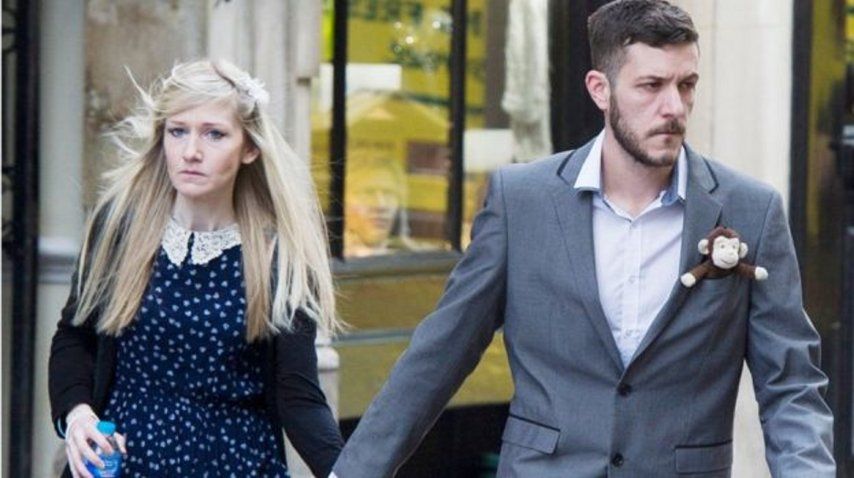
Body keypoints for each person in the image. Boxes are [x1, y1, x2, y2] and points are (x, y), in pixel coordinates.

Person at [331, 1, 835, 476]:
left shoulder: (751, 210)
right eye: (651, 86)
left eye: (686, 85)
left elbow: (790, 384)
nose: (674, 107)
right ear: (600, 89)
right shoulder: (520, 202)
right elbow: (440, 355)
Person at [48, 59, 345, 478]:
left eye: (214, 134)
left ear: (250, 148)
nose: (191, 151)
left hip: (238, 466)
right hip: (123, 466)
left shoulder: (279, 255)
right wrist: (77, 414)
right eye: (177, 131)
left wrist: (344, 470)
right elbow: (75, 336)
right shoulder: (119, 228)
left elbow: (298, 396)